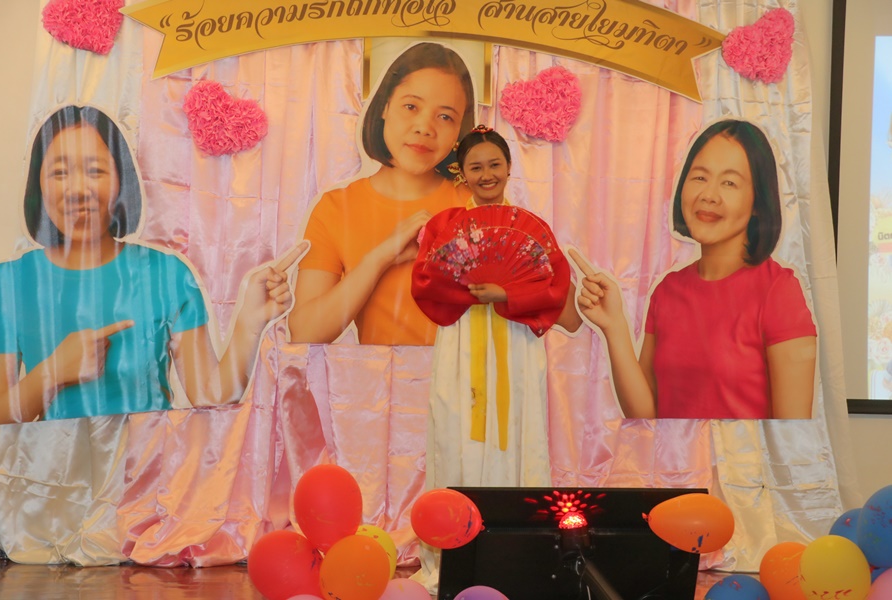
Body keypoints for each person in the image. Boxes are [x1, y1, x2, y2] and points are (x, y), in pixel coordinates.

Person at [0, 105, 306, 423]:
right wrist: (53, 372)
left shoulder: (166, 274)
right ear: (38, 184)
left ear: (121, 180)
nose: (78, 190)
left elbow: (211, 396)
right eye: (60, 173)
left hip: (148, 455)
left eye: (95, 171)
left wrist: (250, 322)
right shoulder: (10, 282)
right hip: (52, 458)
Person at [572, 119, 817, 419]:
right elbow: (647, 417)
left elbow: (792, 431)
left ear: (758, 201)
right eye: (700, 177)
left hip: (742, 453)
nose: (709, 195)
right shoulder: (667, 290)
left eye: (729, 183)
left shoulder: (778, 291)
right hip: (672, 453)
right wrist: (614, 327)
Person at [412, 125, 582, 488]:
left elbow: (554, 288)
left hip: (516, 338)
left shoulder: (531, 227)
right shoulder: (444, 226)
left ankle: (518, 514)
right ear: (462, 172)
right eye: (475, 167)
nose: (486, 175)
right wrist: (474, 292)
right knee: (457, 418)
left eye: (495, 165)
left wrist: (507, 295)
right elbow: (425, 284)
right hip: (461, 342)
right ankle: (458, 516)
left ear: (508, 167)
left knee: (519, 416)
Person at [288, 42, 474, 346]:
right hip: (377, 377)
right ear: (385, 106)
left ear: (459, 131)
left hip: (467, 377)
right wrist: (381, 257)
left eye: (445, 117)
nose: (424, 128)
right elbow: (305, 333)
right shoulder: (336, 208)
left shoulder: (475, 206)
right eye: (411, 106)